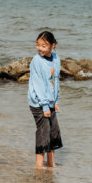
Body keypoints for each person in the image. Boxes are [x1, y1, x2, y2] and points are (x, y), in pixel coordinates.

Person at [28, 30, 63, 169]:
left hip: (50, 102)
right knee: (43, 132)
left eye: (43, 45)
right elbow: (38, 85)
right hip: (38, 103)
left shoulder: (56, 58)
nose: (39, 48)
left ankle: (51, 164)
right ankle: (38, 167)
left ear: (52, 46)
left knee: (53, 132)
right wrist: (44, 106)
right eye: (38, 45)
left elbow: (55, 81)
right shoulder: (36, 61)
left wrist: (55, 102)